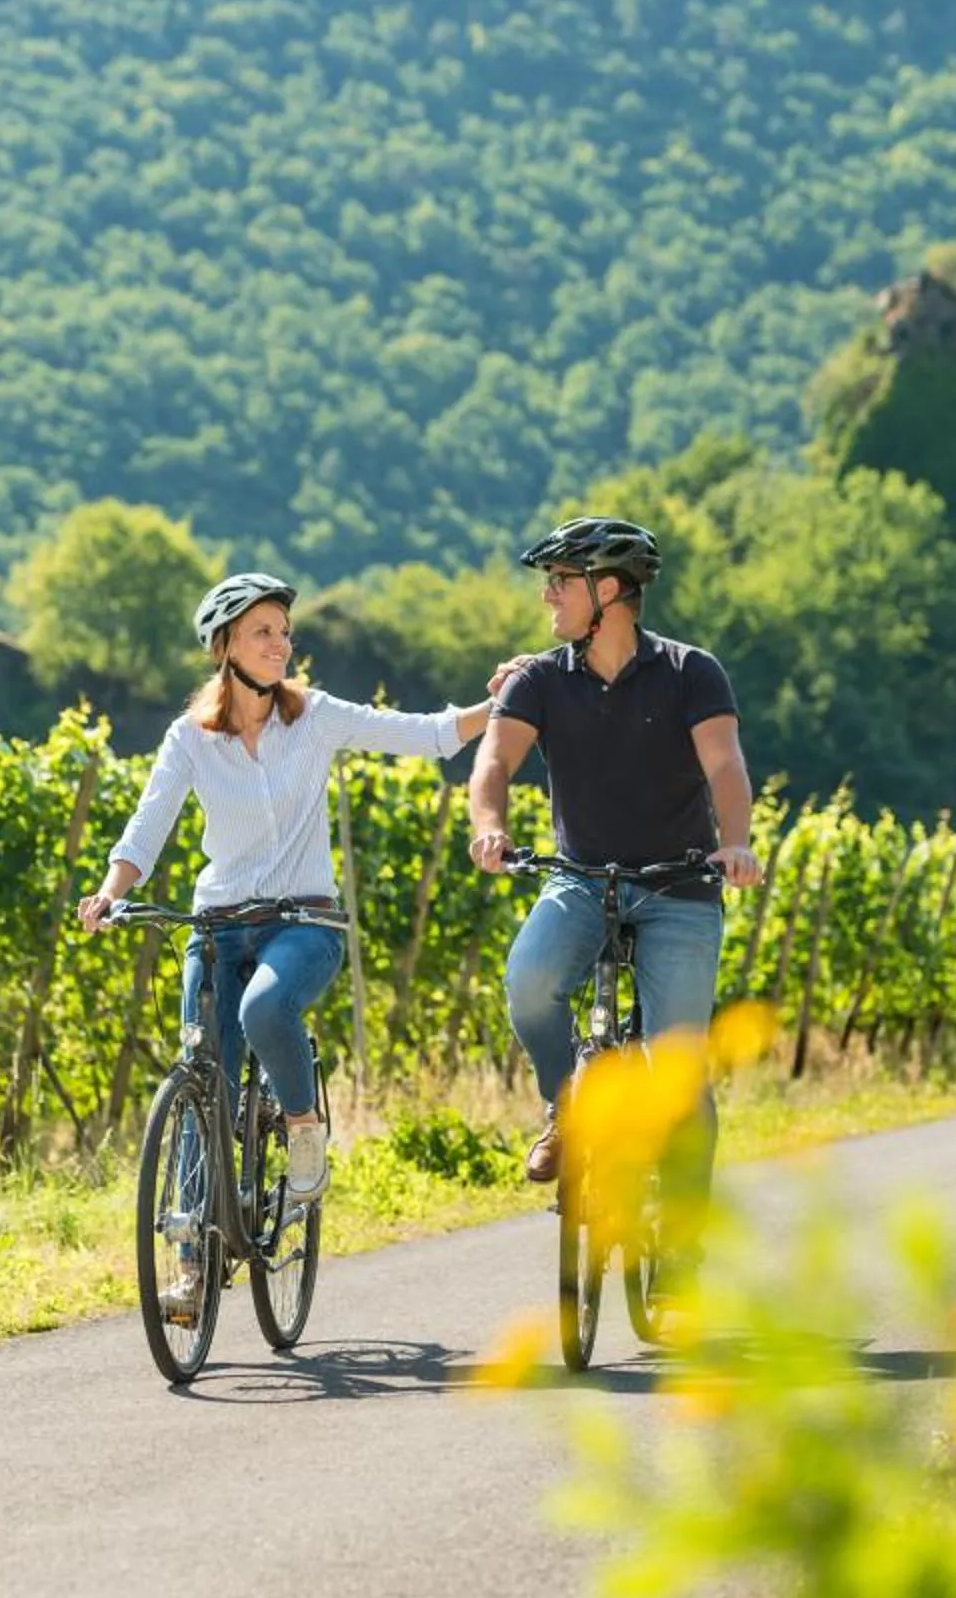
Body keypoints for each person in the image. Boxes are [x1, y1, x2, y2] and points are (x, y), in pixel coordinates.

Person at [81, 573, 502, 1308]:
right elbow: (148, 825)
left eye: (283, 631)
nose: (281, 644)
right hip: (218, 926)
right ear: (224, 648)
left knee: (265, 1012)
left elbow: (425, 735)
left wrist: (497, 708)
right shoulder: (191, 739)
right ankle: (190, 1261)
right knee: (201, 1079)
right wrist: (112, 891)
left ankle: (302, 1129)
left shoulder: (316, 717)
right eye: (262, 633)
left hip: (304, 922)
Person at [463, 516, 762, 1198]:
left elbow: (725, 766)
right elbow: (493, 764)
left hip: (678, 888)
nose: (548, 597)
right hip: (580, 880)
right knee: (529, 983)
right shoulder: (536, 680)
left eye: (561, 582)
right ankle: (567, 1105)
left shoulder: (691, 673)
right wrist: (489, 824)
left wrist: (736, 840)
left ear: (611, 591)